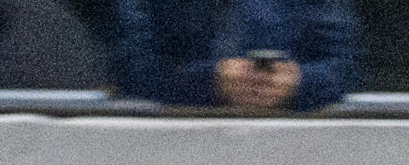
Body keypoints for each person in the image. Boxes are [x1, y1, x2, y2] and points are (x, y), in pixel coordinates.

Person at [94, 0, 361, 110]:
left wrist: (298, 82)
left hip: (291, 155)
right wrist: (210, 81)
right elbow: (129, 69)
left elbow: (347, 70)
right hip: (173, 153)